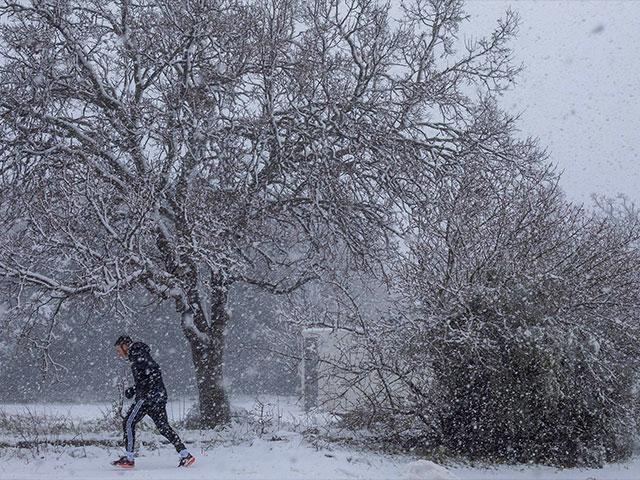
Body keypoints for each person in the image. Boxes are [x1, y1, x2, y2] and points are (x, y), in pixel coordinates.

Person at [111, 335, 195, 468]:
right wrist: (135, 389)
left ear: (125, 345)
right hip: (158, 396)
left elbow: (152, 374)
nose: (118, 354)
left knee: (128, 422)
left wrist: (135, 390)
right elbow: (150, 374)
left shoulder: (137, 354)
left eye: (118, 350)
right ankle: (185, 454)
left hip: (147, 397)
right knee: (163, 427)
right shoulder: (140, 354)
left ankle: (129, 458)